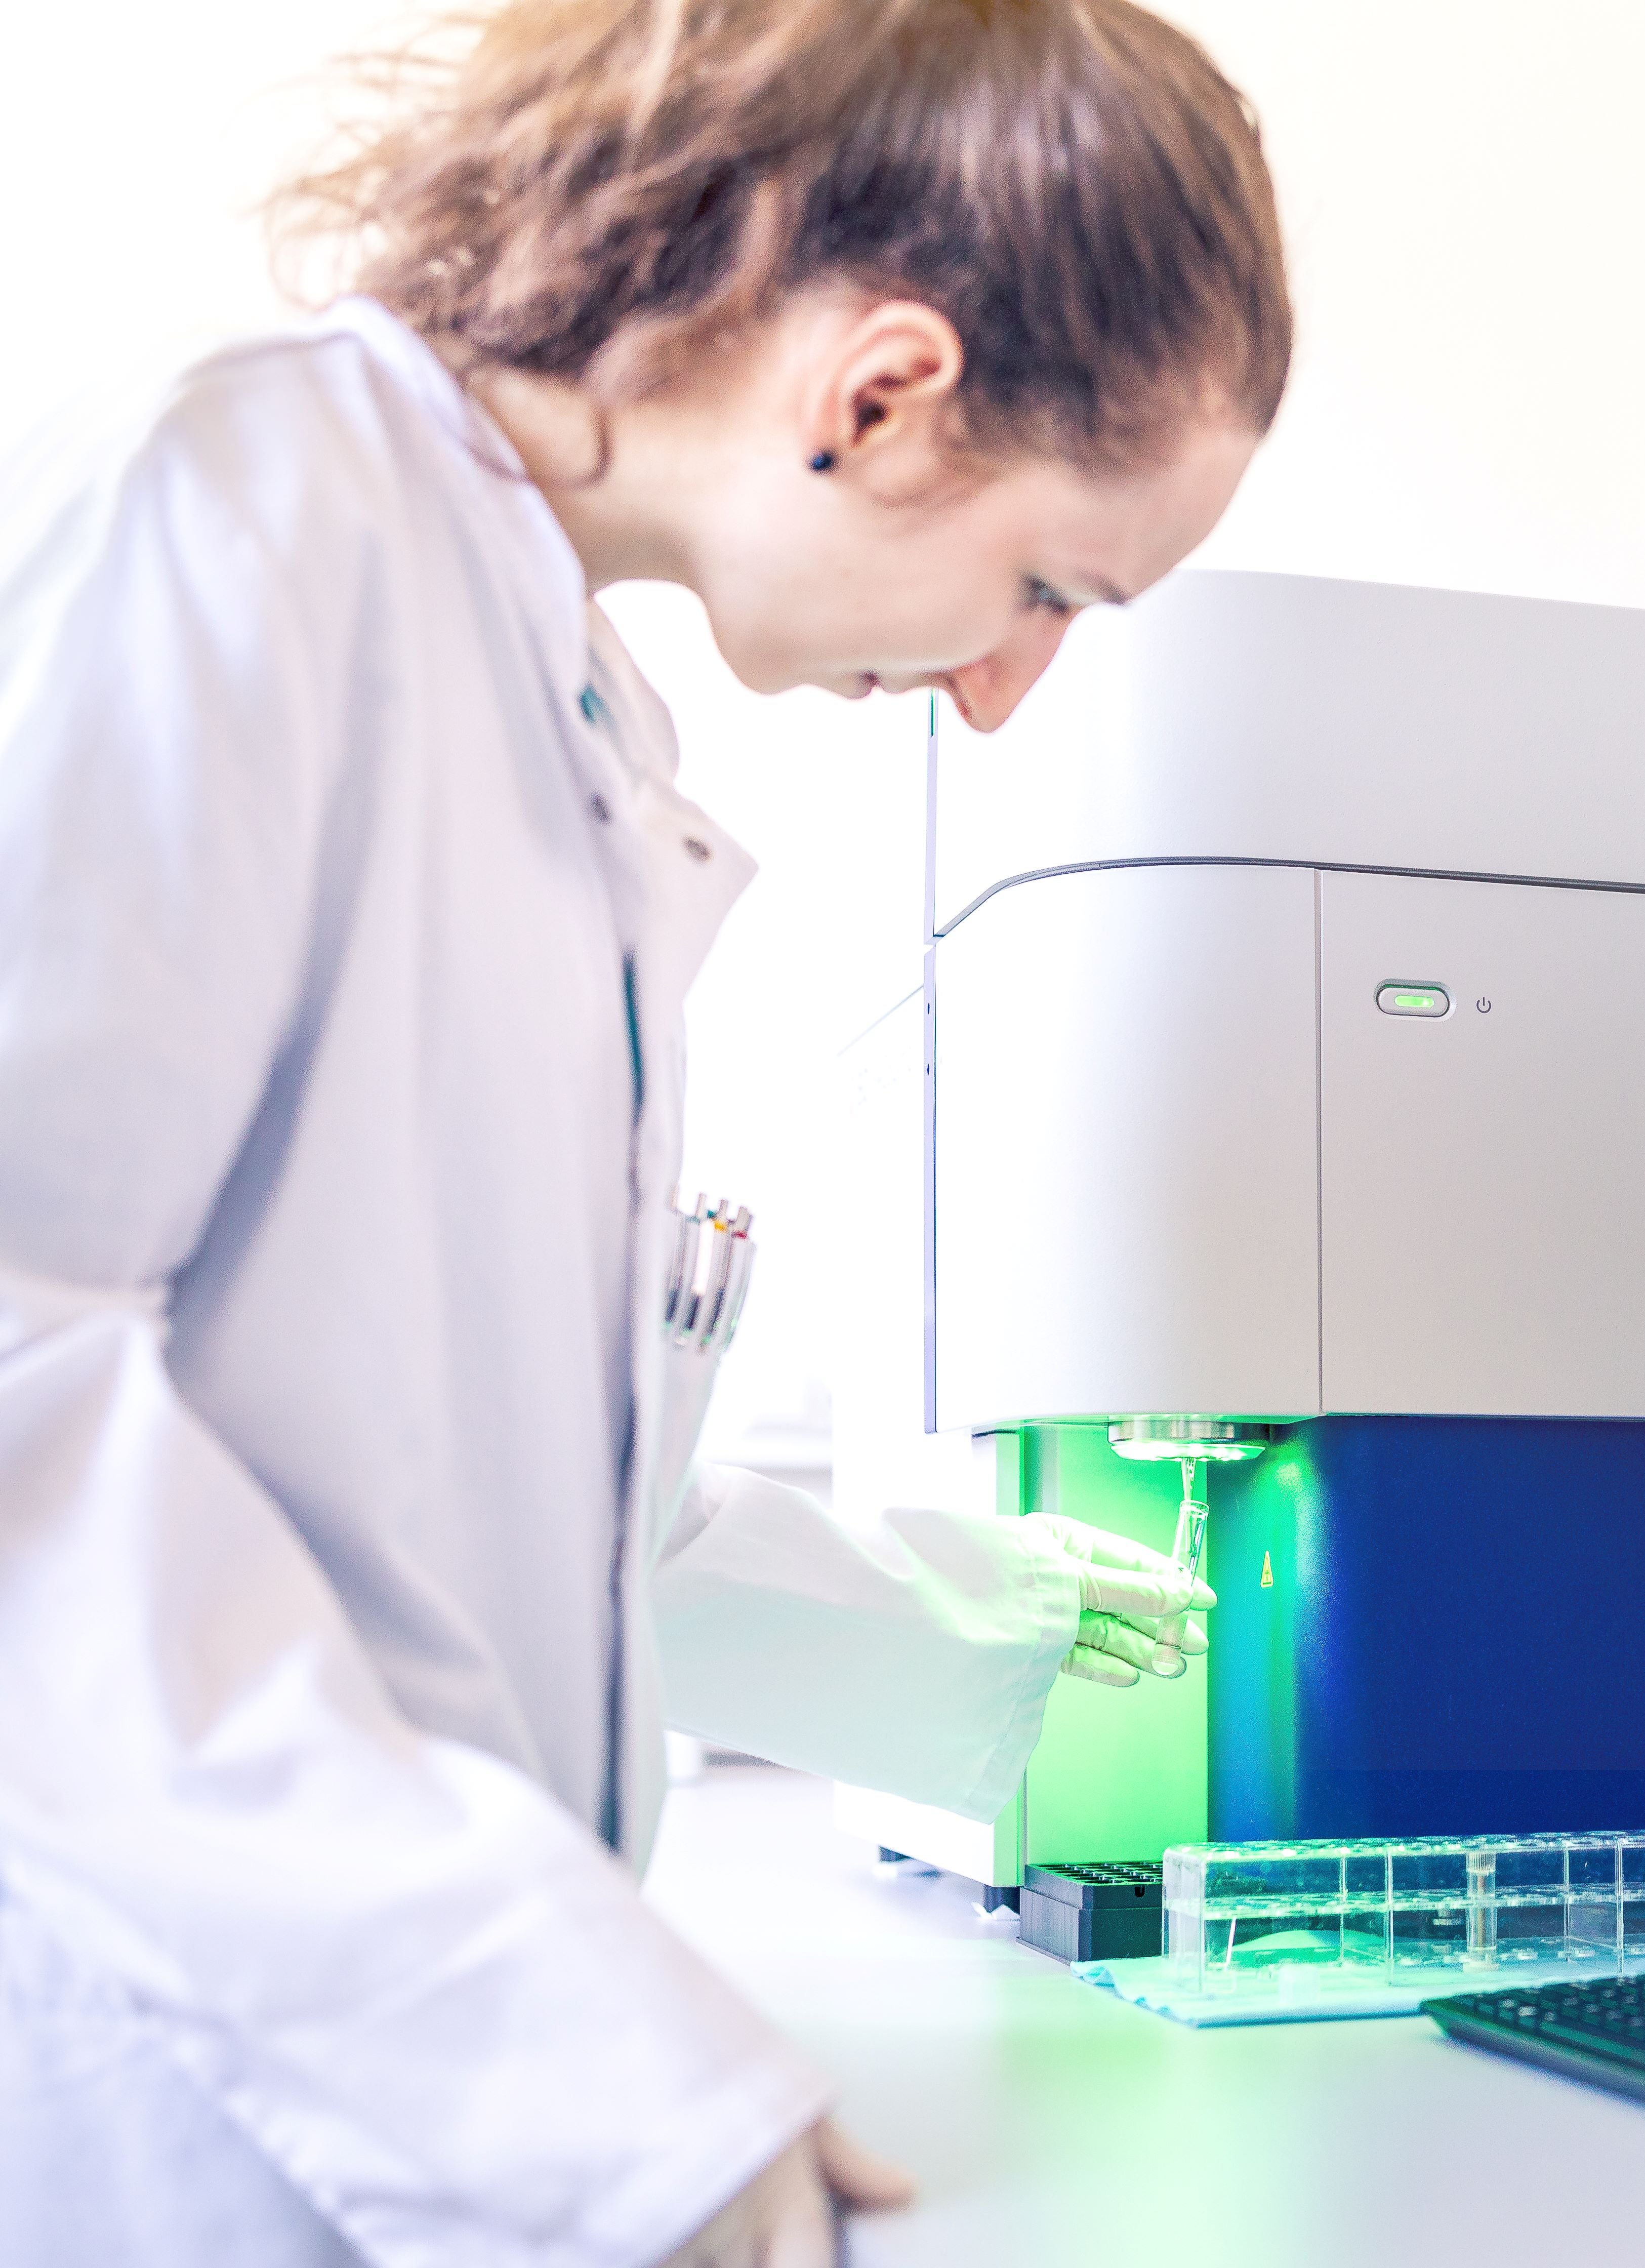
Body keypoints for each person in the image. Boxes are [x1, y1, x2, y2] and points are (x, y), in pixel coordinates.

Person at [0, 2, 1288, 2260]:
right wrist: (573, 2074)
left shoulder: (561, 692)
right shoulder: (243, 511)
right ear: (879, 396)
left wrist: (952, 1601)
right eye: (1053, 589)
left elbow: (444, 1485)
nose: (1007, 686)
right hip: (175, 2120)